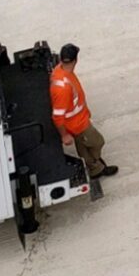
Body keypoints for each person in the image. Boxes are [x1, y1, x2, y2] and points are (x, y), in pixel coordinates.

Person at [50, 43, 116, 188]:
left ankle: (95, 167)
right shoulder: (62, 88)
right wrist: (64, 135)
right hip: (77, 124)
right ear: (75, 60)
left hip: (78, 120)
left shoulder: (60, 71)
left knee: (83, 146)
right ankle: (94, 165)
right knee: (97, 142)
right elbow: (57, 116)